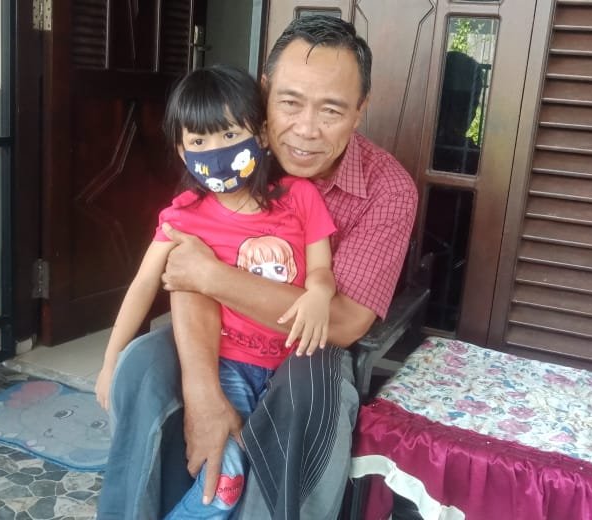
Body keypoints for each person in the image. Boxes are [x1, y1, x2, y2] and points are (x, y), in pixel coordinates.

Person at [98, 15, 418, 519]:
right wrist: (202, 391)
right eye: (290, 103)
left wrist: (214, 276)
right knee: (140, 367)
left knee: (315, 404)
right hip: (220, 337)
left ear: (360, 111)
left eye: (331, 110)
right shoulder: (227, 157)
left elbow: (342, 323)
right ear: (265, 92)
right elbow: (184, 270)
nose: (306, 130)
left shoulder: (387, 189)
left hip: (309, 351)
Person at [95, 64, 339, 518]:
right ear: (181, 151)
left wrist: (319, 295)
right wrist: (111, 362)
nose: (216, 151)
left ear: (260, 135)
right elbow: (143, 284)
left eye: (229, 134)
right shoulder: (183, 216)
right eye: (199, 142)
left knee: (268, 487)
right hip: (225, 368)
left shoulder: (299, 197)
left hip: (288, 374)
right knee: (224, 483)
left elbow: (321, 270)